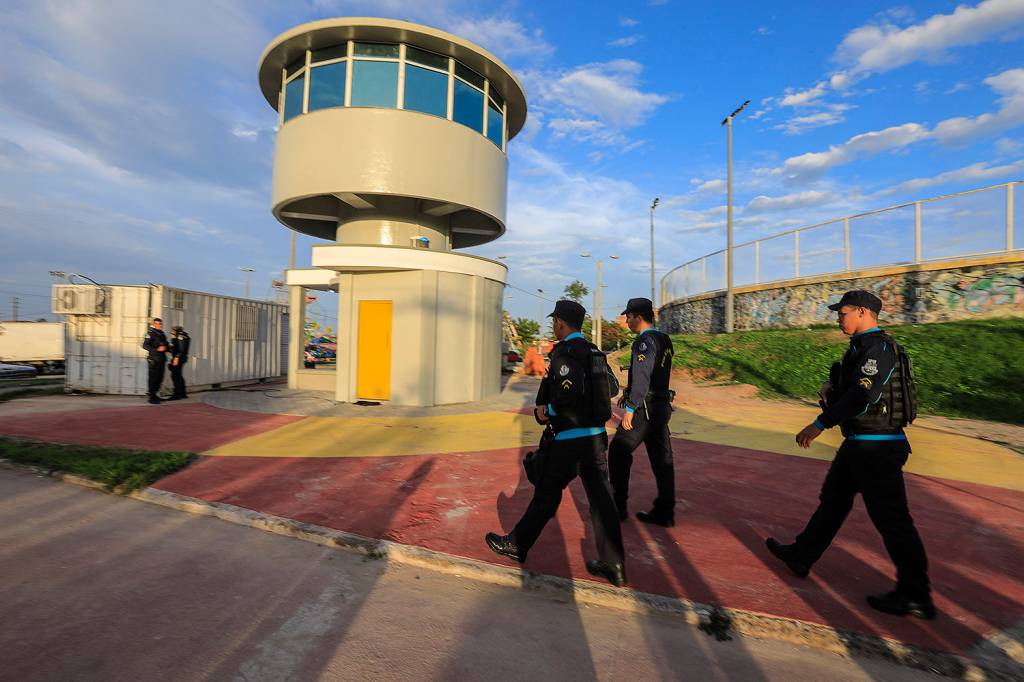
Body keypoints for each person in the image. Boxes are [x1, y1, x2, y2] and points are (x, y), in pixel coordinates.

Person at [765, 290, 934, 619]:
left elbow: (862, 396)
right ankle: (802, 555)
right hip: (860, 443)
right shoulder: (860, 348)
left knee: (894, 522)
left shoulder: (878, 348)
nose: (837, 318)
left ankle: (916, 595)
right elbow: (855, 392)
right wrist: (832, 391)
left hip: (878, 447)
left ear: (862, 312)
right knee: (833, 500)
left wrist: (819, 423)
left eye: (842, 312)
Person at [485, 300, 627, 586]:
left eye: (554, 322)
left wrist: (545, 411)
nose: (553, 326)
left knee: (547, 494)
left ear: (561, 322)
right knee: (602, 502)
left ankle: (517, 544)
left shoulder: (565, 353)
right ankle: (615, 566)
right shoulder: (594, 352)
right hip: (597, 439)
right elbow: (611, 388)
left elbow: (567, 394)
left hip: (569, 441)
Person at [609, 298, 677, 526]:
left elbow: (643, 377)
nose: (626, 321)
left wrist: (630, 407)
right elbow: (657, 373)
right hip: (661, 407)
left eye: (628, 316)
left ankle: (617, 507)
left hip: (643, 410)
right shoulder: (664, 339)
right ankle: (665, 512)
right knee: (663, 461)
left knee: (618, 451)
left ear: (638, 317)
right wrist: (628, 394)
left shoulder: (644, 342)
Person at [142, 317, 169, 405]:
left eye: (160, 324)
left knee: (160, 378)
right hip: (154, 359)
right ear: (153, 324)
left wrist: (167, 347)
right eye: (157, 324)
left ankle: (155, 394)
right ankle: (151, 396)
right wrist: (157, 349)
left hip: (161, 359)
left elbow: (166, 344)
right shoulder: (150, 333)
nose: (159, 325)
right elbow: (145, 345)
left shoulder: (162, 334)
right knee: (153, 378)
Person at [168, 325, 191, 400]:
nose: (171, 333)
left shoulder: (180, 337)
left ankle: (177, 394)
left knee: (175, 376)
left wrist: (176, 358)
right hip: (180, 358)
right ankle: (183, 393)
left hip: (178, 359)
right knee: (179, 376)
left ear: (176, 331)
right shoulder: (182, 336)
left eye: (172, 331)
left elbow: (181, 349)